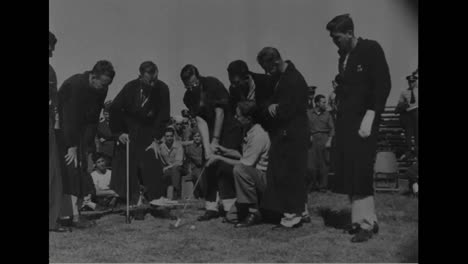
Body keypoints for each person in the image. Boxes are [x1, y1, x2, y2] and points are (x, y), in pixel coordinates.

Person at [326, 14, 391, 242]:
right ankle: (359, 219)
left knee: (362, 170)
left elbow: (383, 83)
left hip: (365, 121)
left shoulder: (371, 49)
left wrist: (373, 113)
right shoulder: (343, 57)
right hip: (346, 122)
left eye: (337, 38)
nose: (335, 42)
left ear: (349, 33)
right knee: (351, 170)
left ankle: (367, 223)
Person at [180, 64, 243, 221]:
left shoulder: (212, 84)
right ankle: (211, 207)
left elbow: (220, 112)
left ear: (198, 77)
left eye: (194, 83)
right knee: (207, 162)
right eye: (188, 85)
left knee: (224, 166)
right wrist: (207, 147)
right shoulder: (187, 97)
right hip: (209, 128)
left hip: (228, 127)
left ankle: (230, 207)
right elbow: (200, 120)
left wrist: (215, 140)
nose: (192, 87)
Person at [58, 60, 116, 228]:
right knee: (71, 170)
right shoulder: (74, 85)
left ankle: (76, 213)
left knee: (82, 169)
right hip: (64, 133)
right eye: (102, 84)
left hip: (82, 135)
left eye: (107, 85)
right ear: (93, 76)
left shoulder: (101, 88)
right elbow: (68, 118)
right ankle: (70, 216)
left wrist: (88, 145)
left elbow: (92, 119)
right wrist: (71, 145)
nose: (103, 88)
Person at [256, 47, 309, 229]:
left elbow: (290, 109)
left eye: (268, 68)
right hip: (285, 133)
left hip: (293, 134)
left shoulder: (294, 79)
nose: (267, 72)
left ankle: (292, 216)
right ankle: (299, 211)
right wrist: (272, 104)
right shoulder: (280, 78)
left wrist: (276, 108)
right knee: (286, 173)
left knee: (290, 174)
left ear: (276, 62)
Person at [109, 61, 171, 207]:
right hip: (129, 133)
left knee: (152, 164)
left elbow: (163, 115)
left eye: (155, 79)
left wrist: (156, 138)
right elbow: (115, 109)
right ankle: (134, 200)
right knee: (129, 168)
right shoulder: (130, 87)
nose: (152, 83)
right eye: (149, 80)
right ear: (141, 76)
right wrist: (118, 133)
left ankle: (155, 199)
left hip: (150, 133)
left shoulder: (162, 88)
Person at [207, 100, 270, 228]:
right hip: (253, 176)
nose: (235, 117)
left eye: (238, 115)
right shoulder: (248, 130)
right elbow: (243, 155)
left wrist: (220, 158)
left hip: (264, 179)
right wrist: (225, 151)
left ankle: (253, 212)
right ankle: (262, 211)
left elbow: (244, 165)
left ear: (249, 118)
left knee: (239, 169)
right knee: (231, 217)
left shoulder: (259, 135)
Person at [49, 31, 69, 232]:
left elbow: (54, 103)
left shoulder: (51, 72)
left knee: (53, 173)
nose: (52, 52)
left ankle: (51, 219)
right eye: (50, 47)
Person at [226, 60, 274, 131]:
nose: (233, 86)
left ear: (246, 78)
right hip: (248, 129)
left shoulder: (266, 82)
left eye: (236, 82)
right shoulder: (233, 89)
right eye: (231, 82)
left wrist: (253, 105)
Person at [307, 94, 335, 191]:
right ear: (317, 103)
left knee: (324, 164)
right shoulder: (308, 113)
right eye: (323, 102)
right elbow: (304, 126)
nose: (325, 104)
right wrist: (308, 135)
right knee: (311, 164)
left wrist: (329, 141)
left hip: (324, 138)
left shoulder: (327, 114)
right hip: (312, 139)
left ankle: (323, 186)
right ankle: (312, 185)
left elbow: (332, 129)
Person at [159, 127, 185, 200]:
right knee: (161, 173)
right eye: (167, 136)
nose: (169, 138)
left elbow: (179, 162)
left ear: (173, 136)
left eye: (171, 136)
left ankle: (176, 195)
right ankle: (162, 196)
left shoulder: (179, 146)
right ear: (164, 137)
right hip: (167, 168)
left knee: (175, 169)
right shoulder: (161, 147)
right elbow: (161, 159)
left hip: (180, 168)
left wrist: (167, 167)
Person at [397, 74, 418, 158]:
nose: (411, 83)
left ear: (415, 82)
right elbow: (399, 105)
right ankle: (408, 151)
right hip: (408, 115)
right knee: (408, 134)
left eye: (413, 82)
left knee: (417, 133)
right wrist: (403, 105)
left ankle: (417, 151)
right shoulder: (404, 92)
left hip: (417, 113)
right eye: (409, 82)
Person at [183, 131, 206, 198]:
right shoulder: (190, 148)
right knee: (200, 176)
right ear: (193, 138)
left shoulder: (204, 146)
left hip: (205, 167)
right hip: (196, 169)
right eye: (195, 136)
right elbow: (199, 162)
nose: (197, 138)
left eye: (199, 136)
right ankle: (203, 196)